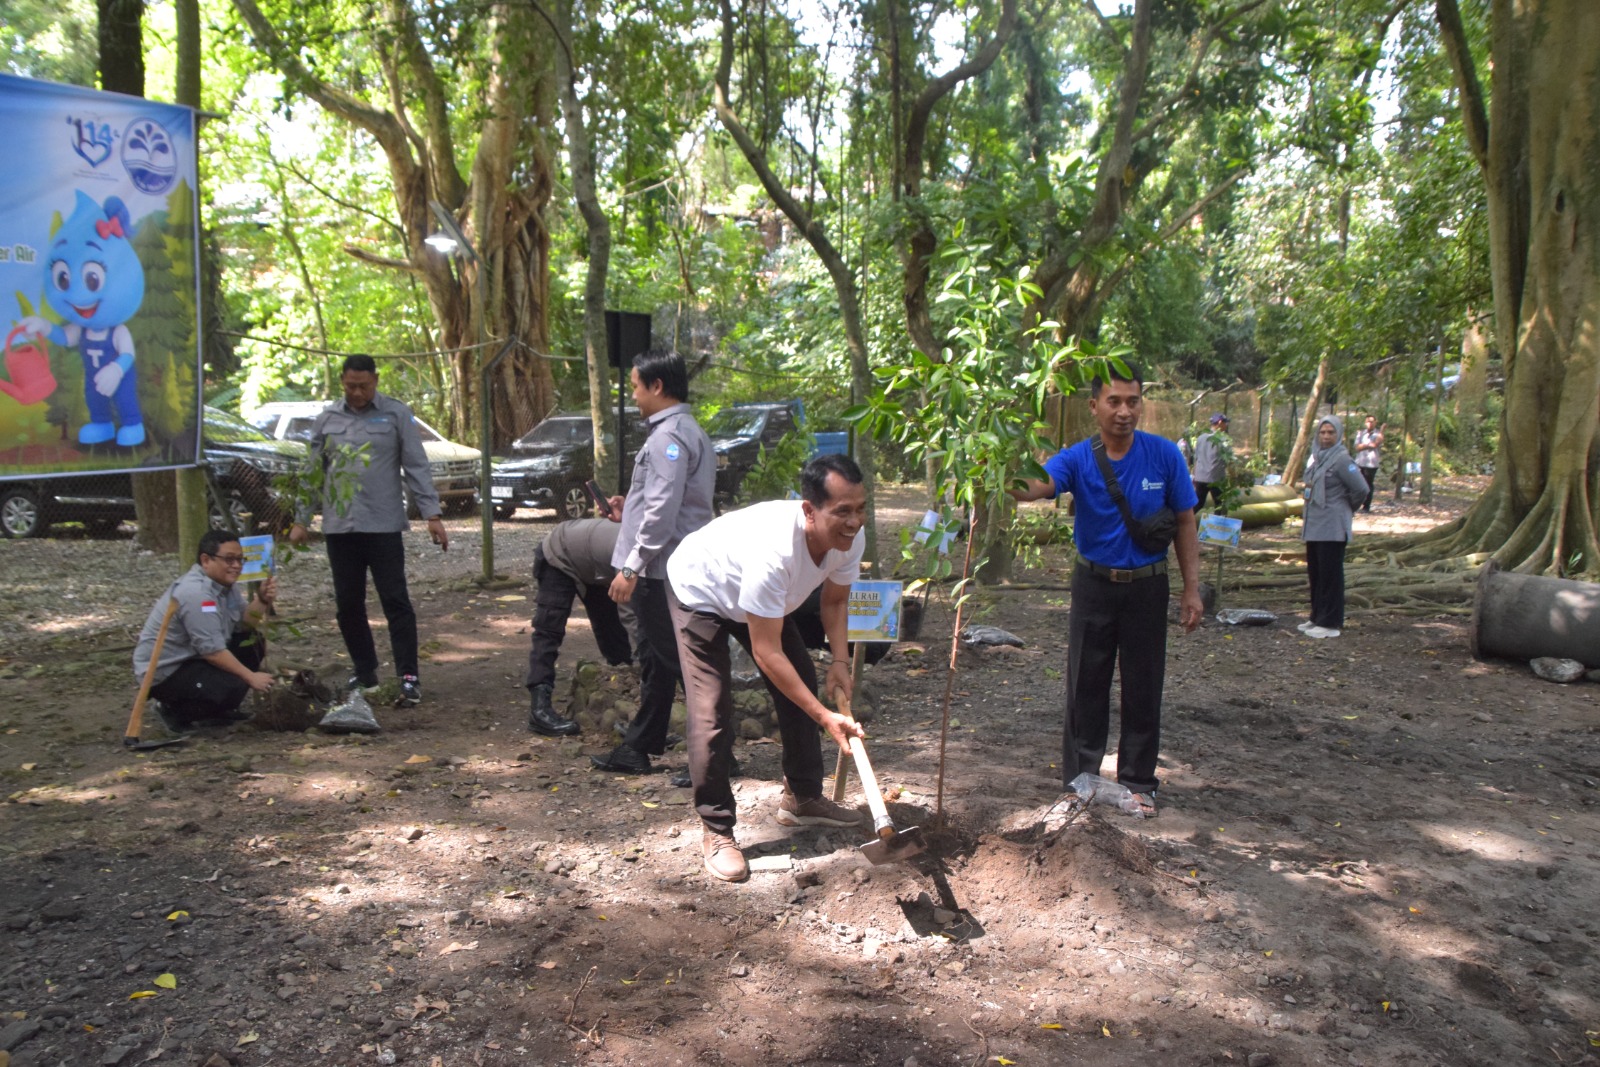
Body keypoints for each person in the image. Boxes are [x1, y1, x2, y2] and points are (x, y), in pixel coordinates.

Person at [1010, 364, 1203, 819]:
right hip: (1093, 585)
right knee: (1085, 683)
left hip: (1147, 587)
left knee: (1143, 684)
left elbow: (1185, 521)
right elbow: (1035, 486)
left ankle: (1139, 782)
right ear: (1094, 406)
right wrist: (996, 467)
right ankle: (1081, 782)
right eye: (1113, 401)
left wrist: (1191, 590)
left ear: (1142, 404)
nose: (1123, 411)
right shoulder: (1078, 457)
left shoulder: (1164, 456)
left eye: (1132, 401)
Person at [667, 455, 868, 883]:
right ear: (809, 510)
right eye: (843, 512)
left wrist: (838, 661)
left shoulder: (850, 538)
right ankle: (717, 829)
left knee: (803, 684)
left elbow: (834, 601)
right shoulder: (775, 551)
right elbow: (766, 653)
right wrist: (824, 716)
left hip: (755, 598)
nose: (854, 522)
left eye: (860, 509)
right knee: (712, 710)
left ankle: (804, 797)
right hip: (702, 589)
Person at [289, 354, 448, 707]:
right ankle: (365, 672)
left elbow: (416, 465)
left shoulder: (395, 414)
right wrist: (301, 520)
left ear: (375, 380)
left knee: (395, 601)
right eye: (350, 385)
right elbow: (313, 473)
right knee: (348, 605)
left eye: (363, 385)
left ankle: (409, 677)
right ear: (342, 382)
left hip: (383, 525)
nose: (357, 392)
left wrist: (432, 514)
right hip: (340, 528)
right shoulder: (327, 419)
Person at [588, 348, 716, 773]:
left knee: (680, 661)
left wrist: (631, 566)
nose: (634, 396)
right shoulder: (682, 430)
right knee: (658, 660)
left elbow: (662, 513)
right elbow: (666, 503)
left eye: (636, 387)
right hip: (670, 565)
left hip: (664, 571)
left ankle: (719, 752)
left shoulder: (668, 438)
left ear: (657, 387)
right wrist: (631, 507)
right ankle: (639, 748)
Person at [134, 529, 277, 730]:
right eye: (229, 560)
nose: (236, 566)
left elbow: (243, 626)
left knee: (252, 641)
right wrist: (250, 677)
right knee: (232, 684)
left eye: (240, 559)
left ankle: (217, 710)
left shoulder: (226, 586)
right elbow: (212, 651)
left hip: (194, 658)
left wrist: (261, 599)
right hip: (167, 670)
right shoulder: (198, 594)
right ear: (206, 560)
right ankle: (174, 711)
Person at [525, 518, 633, 737]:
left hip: (596, 566)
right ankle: (539, 709)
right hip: (559, 551)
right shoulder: (636, 560)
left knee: (613, 632)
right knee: (549, 628)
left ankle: (628, 697)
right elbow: (636, 620)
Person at [1299, 416, 1369, 639]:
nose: (1326, 437)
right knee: (1316, 573)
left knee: (1331, 575)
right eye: (1323, 432)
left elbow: (1361, 489)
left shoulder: (1341, 459)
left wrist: (1345, 507)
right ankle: (1317, 616)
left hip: (1332, 525)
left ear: (1338, 435)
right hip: (1314, 523)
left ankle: (1330, 622)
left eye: (1331, 433)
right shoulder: (1316, 457)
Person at [1191, 413, 1231, 510]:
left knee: (1198, 503)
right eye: (1226, 423)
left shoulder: (1201, 438)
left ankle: (1183, 523)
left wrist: (1194, 475)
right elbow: (1229, 459)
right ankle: (1219, 525)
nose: (1226, 425)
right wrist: (1233, 475)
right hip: (1215, 478)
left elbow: (1197, 458)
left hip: (1201, 477)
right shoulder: (1223, 439)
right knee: (1220, 505)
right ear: (1220, 422)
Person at [1353, 415, 1384, 512]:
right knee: (1358, 484)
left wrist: (1364, 445)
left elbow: (1376, 444)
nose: (1370, 423)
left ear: (1375, 422)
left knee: (1368, 484)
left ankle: (1366, 506)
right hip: (1360, 462)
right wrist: (1369, 445)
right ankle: (1357, 504)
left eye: (1372, 421)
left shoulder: (1379, 434)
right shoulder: (1361, 433)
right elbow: (1357, 448)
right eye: (1368, 421)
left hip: (1371, 464)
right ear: (1365, 423)